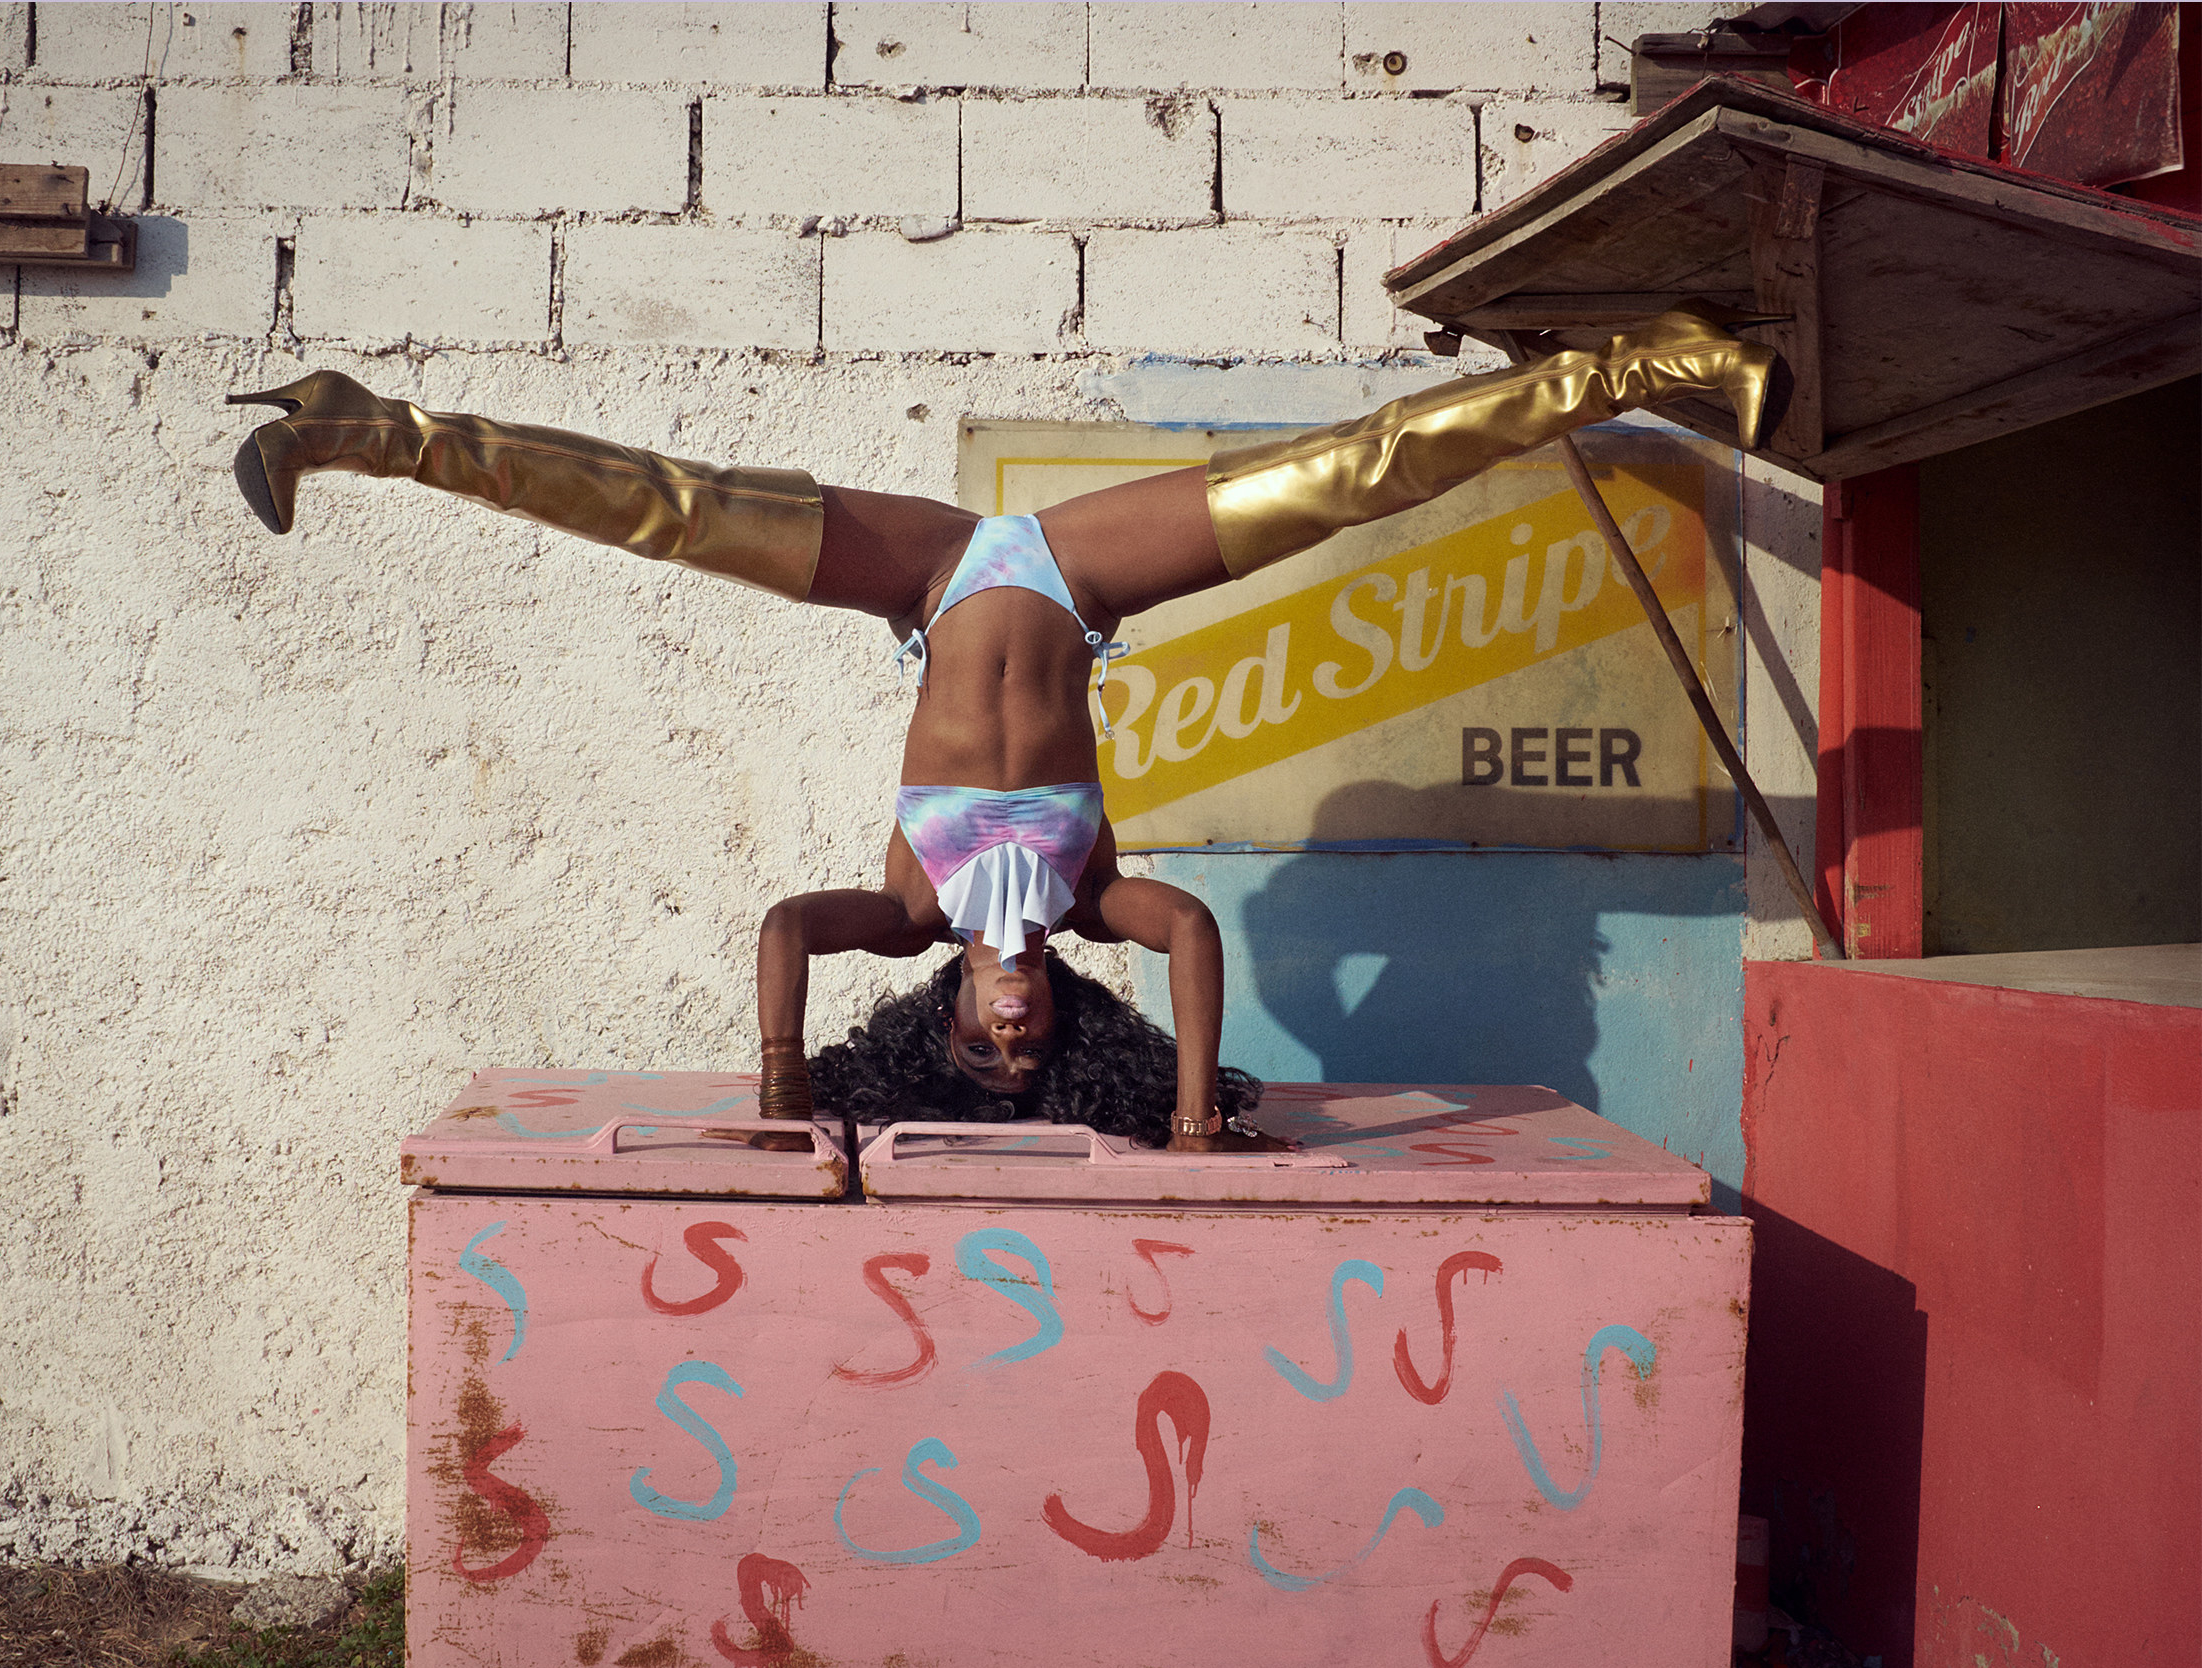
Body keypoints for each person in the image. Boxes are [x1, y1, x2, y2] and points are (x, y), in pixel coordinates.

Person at [226, 306, 1780, 1151]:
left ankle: (367, 425)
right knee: (1355, 475)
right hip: (1083, 578)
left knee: (663, 507)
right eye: (1034, 1041)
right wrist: (1187, 1114)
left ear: (950, 1020)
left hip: (924, 573)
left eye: (989, 1039)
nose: (1015, 1023)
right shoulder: (1099, 907)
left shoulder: (910, 916)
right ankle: (1649, 361)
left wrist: (781, 1093)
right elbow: (1193, 944)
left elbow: (781, 927)